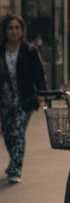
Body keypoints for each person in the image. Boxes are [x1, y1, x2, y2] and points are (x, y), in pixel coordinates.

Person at [0, 15, 47, 184]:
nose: (14, 31)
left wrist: (43, 94)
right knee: (7, 133)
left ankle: (16, 168)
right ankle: (14, 161)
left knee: (18, 133)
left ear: (22, 31)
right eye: (10, 28)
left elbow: (39, 74)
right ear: (5, 31)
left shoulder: (29, 50)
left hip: (24, 99)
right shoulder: (1, 50)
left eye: (17, 28)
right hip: (4, 99)